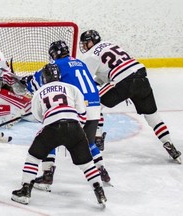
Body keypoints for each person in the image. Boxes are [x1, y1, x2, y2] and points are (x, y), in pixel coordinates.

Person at [79, 29, 181, 163]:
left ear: (91, 42)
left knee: (94, 104)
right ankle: (170, 145)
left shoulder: (90, 55)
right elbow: (106, 72)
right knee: (152, 116)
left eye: (85, 43)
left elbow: (85, 80)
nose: (84, 46)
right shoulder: (110, 44)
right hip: (141, 78)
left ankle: (97, 140)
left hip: (123, 82)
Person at [11, 63, 107, 206]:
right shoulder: (72, 88)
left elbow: (39, 117)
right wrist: (74, 129)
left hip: (52, 127)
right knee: (86, 163)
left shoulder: (39, 92)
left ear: (44, 78)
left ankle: (25, 191)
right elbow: (82, 114)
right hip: (75, 126)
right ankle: (99, 191)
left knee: (33, 156)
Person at [22, 40, 111, 191]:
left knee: (49, 134)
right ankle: (101, 169)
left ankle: (47, 173)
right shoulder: (79, 63)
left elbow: (38, 82)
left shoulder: (58, 65)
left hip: (80, 105)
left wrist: (25, 81)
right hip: (96, 106)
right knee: (88, 142)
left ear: (54, 54)